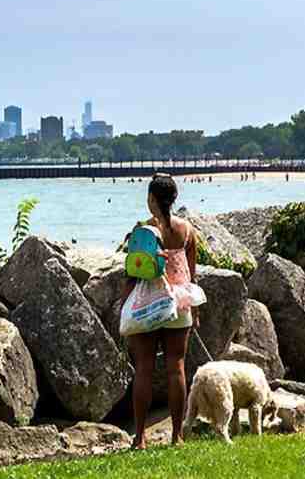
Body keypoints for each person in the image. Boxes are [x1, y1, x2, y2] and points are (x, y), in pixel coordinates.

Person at [120, 173, 205, 450]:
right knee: (176, 368)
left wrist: (124, 303)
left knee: (143, 368)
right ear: (174, 199)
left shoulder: (143, 231)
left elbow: (132, 272)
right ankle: (176, 435)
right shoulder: (187, 231)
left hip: (148, 302)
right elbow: (191, 274)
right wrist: (195, 307)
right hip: (179, 302)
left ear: (152, 200)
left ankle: (140, 438)